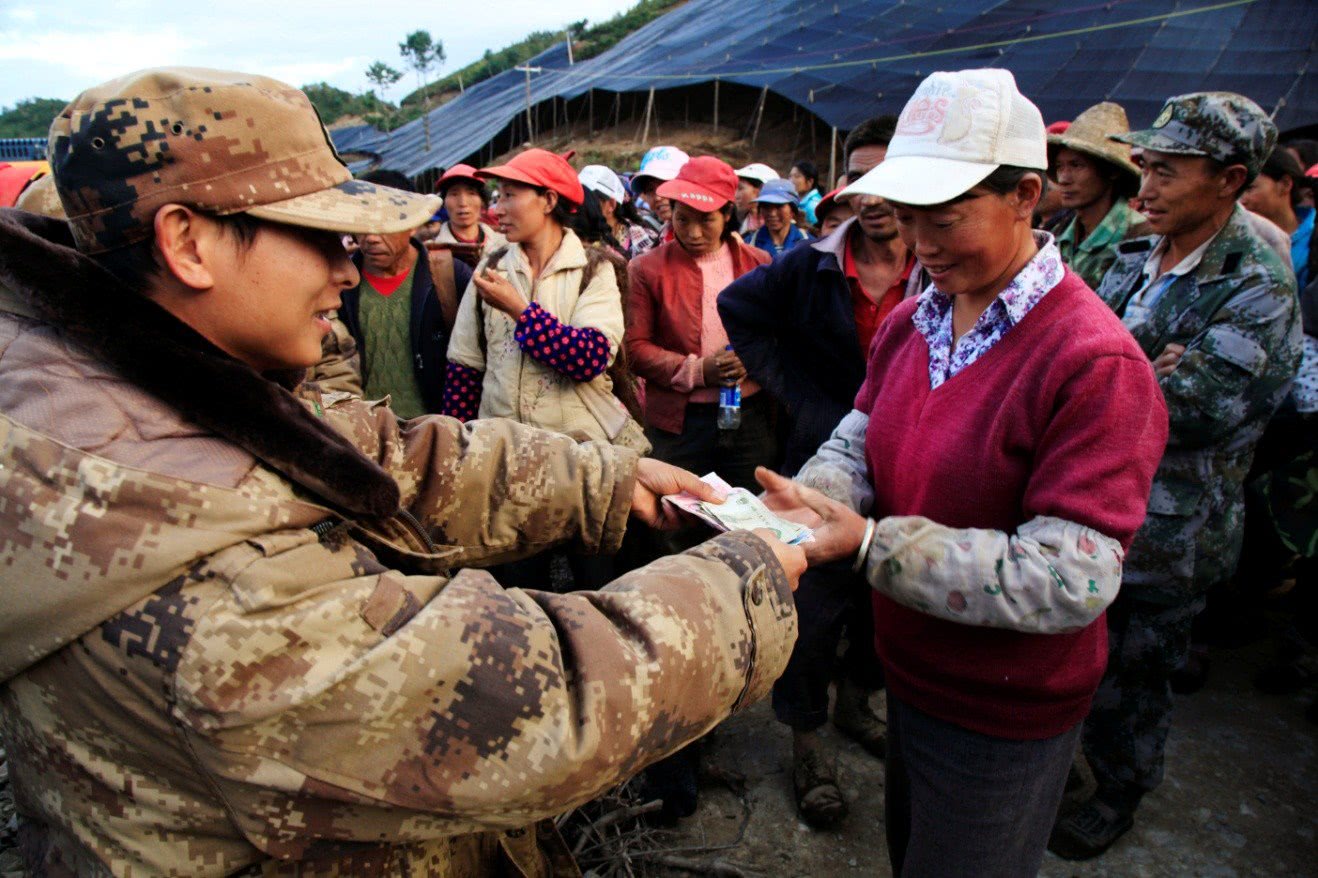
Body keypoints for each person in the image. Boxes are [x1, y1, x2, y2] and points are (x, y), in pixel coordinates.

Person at [0, 68, 806, 876]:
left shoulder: (116, 378)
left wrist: (606, 480)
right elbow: (541, 704)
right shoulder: (218, 598)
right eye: (319, 236)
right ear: (187, 242)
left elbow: (375, 451)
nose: (345, 271)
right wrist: (748, 578)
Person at [760, 68, 1168, 875]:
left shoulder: (1094, 364)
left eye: (944, 220)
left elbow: (1070, 579)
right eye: (908, 220)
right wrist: (792, 510)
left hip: (1004, 710)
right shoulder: (919, 317)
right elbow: (859, 438)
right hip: (914, 675)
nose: (920, 245)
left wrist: (872, 543)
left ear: (1026, 194)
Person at [1050, 91, 1302, 861]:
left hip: (1171, 527)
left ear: (1229, 180)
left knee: (1137, 673)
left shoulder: (1256, 286)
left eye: (1167, 171)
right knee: (1080, 652)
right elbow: (1074, 354)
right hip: (1098, 501)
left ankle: (1122, 789)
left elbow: (1196, 408)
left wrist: (1122, 378)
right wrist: (1141, 372)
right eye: (1146, 168)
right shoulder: (1138, 257)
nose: (1147, 186)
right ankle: (1073, 765)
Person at [718, 116, 917, 829]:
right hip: (825, 461)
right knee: (815, 604)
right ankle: (808, 741)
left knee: (886, 596)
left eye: (887, 174)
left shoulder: (942, 266)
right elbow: (739, 309)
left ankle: (859, 703)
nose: (872, 192)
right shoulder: (812, 264)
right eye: (858, 175)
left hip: (911, 469)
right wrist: (800, 394)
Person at [626, 156, 775, 494]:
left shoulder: (758, 264)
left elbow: (778, 334)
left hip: (749, 416)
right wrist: (699, 371)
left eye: (706, 220)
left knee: (749, 511)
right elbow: (634, 349)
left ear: (726, 215)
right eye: (682, 219)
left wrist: (750, 360)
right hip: (678, 423)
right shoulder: (646, 269)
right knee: (675, 512)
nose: (693, 233)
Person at [320, 168, 472, 418]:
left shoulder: (450, 276)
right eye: (362, 223)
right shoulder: (338, 283)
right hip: (366, 431)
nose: (370, 238)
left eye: (382, 224)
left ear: (411, 223)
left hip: (433, 430)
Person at [1047, 102, 1147, 288]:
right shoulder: (1058, 235)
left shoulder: (1141, 237)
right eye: (1060, 167)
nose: (1063, 179)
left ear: (1112, 171)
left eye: (1077, 166)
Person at [1241, 146, 1314, 288]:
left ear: (1285, 184)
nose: (1242, 200)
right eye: (1239, 191)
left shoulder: (1313, 236)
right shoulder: (1235, 237)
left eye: (1250, 189)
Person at [431, 163, 507, 264]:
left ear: (483, 201)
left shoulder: (505, 244)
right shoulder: (432, 252)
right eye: (454, 194)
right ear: (444, 202)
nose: (463, 203)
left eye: (471, 193)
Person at [579, 163, 658, 258]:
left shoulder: (646, 241)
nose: (578, 206)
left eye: (587, 199)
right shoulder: (573, 240)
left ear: (611, 204)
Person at [631, 145, 689, 236]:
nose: (658, 197)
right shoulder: (664, 236)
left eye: (665, 185)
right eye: (650, 190)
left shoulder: (712, 239)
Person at [749, 179, 812, 259]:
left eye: (779, 206)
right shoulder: (750, 243)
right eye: (766, 206)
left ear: (792, 210)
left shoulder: (808, 244)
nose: (772, 213)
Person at [734, 162, 778, 237]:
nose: (735, 195)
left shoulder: (778, 230)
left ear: (761, 190)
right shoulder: (737, 223)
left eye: (740, 188)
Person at [789, 160, 823, 226]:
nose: (791, 180)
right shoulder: (797, 200)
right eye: (790, 176)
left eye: (797, 176)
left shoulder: (813, 205)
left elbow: (817, 232)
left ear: (810, 181)